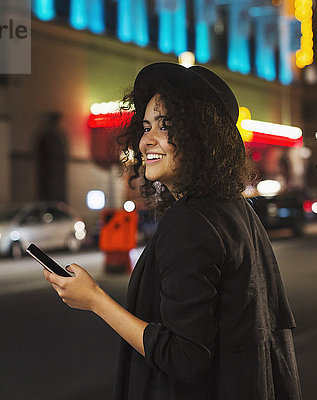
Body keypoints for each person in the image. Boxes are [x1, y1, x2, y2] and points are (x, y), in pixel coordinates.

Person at [43, 62, 302, 399]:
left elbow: (185, 358)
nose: (145, 141)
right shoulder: (236, 210)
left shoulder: (189, 221)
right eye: (146, 126)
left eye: (165, 127)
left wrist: (94, 300)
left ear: (200, 138)